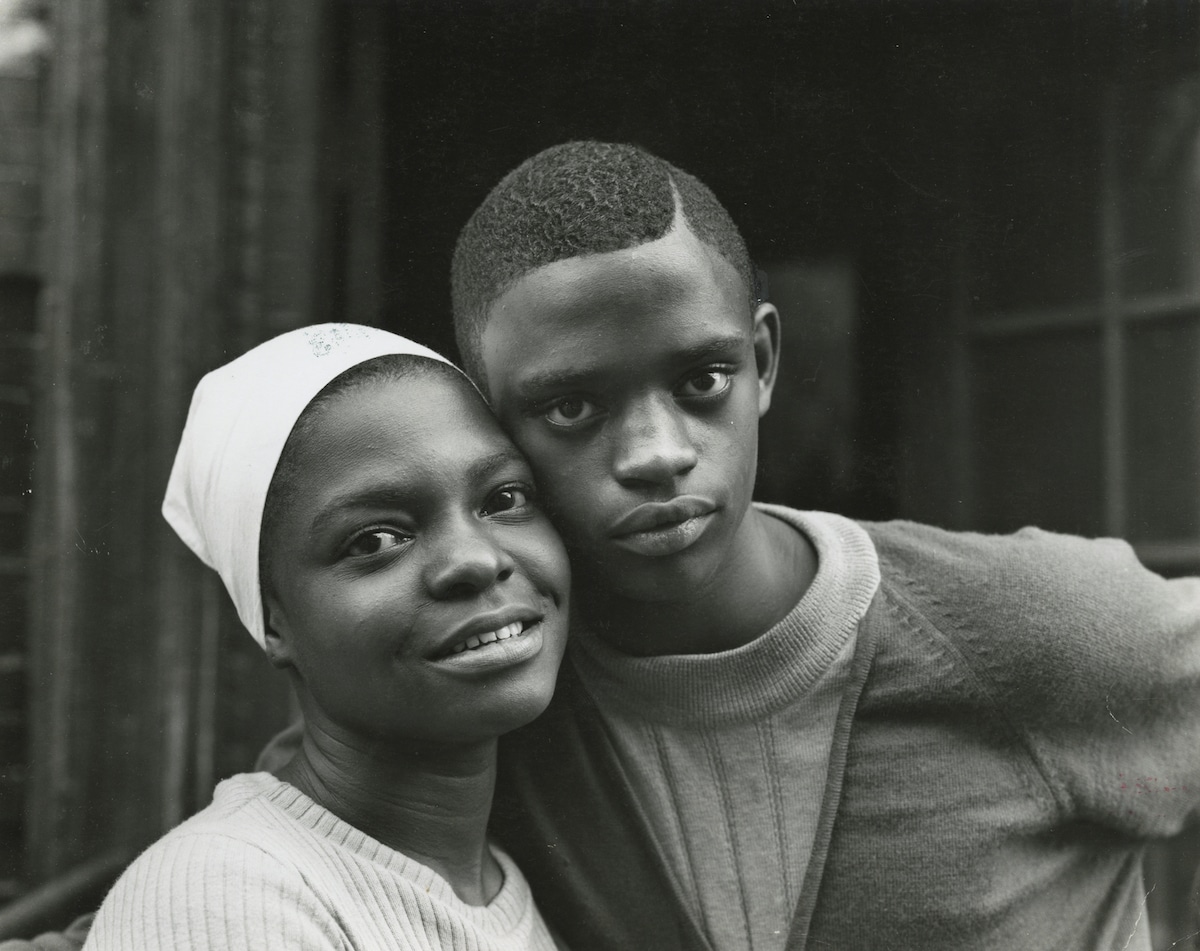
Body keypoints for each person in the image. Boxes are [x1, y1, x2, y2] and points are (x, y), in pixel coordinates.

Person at [448, 141, 1200, 950]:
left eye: (701, 380)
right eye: (571, 408)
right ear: (489, 423)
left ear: (762, 362)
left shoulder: (1031, 625)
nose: (656, 452)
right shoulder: (489, 706)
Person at [82, 324, 570, 950]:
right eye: (375, 540)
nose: (476, 559)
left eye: (503, 497)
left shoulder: (504, 886)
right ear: (273, 620)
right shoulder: (228, 899)